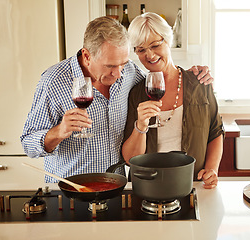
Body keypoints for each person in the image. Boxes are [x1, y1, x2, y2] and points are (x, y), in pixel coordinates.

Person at [20, 16, 213, 182]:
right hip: (71, 190)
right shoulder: (54, 81)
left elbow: (161, 80)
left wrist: (192, 76)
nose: (118, 73)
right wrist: (59, 131)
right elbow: (28, 144)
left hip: (115, 188)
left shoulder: (129, 72)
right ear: (87, 56)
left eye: (123, 63)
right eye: (110, 66)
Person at [122, 13, 224, 189]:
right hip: (148, 188)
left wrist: (212, 169)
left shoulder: (200, 83)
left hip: (192, 184)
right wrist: (141, 126)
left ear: (168, 40)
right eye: (141, 50)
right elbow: (130, 159)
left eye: (155, 45)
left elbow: (215, 132)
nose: (150, 55)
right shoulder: (136, 93)